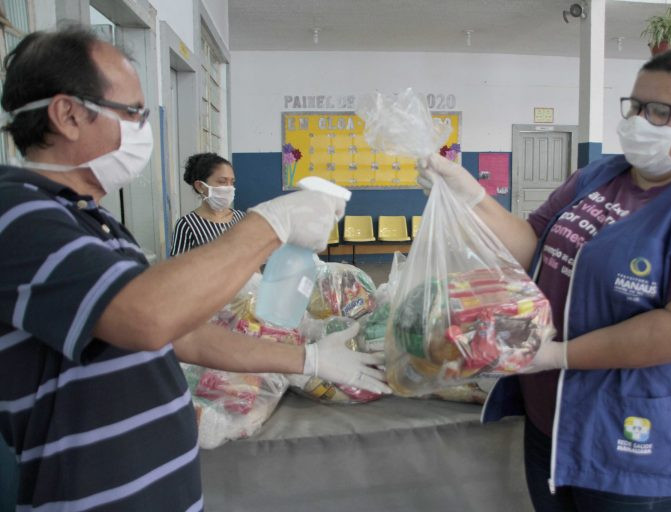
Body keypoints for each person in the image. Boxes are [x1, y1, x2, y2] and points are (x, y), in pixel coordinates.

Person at [0, 26, 389, 510]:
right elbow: (147, 316)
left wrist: (306, 360)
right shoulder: (15, 215)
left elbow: (183, 333)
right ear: (69, 114)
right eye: (135, 113)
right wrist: (270, 222)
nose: (145, 129)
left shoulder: (93, 222)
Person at [417, 46, 671, 511]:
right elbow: (530, 247)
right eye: (637, 106)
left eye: (661, 111)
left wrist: (559, 354)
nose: (641, 121)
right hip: (555, 420)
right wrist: (469, 194)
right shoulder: (598, 176)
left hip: (638, 437)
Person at [170, 152, 245, 256]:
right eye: (222, 181)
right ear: (200, 186)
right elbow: (178, 268)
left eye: (232, 182)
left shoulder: (241, 218)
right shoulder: (187, 225)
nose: (229, 187)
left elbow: (253, 260)